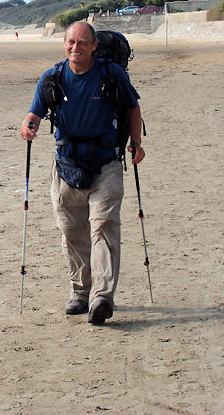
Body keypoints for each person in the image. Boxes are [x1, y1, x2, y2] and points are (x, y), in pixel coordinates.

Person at [19, 21, 145, 324]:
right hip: (66, 166)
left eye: (82, 43)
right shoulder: (52, 78)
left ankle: (102, 296)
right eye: (71, 42)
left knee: (103, 227)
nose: (76, 48)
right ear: (65, 44)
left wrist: (137, 144)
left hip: (106, 164)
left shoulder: (110, 74)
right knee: (72, 233)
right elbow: (35, 112)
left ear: (93, 46)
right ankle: (80, 293)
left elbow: (133, 108)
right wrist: (28, 126)